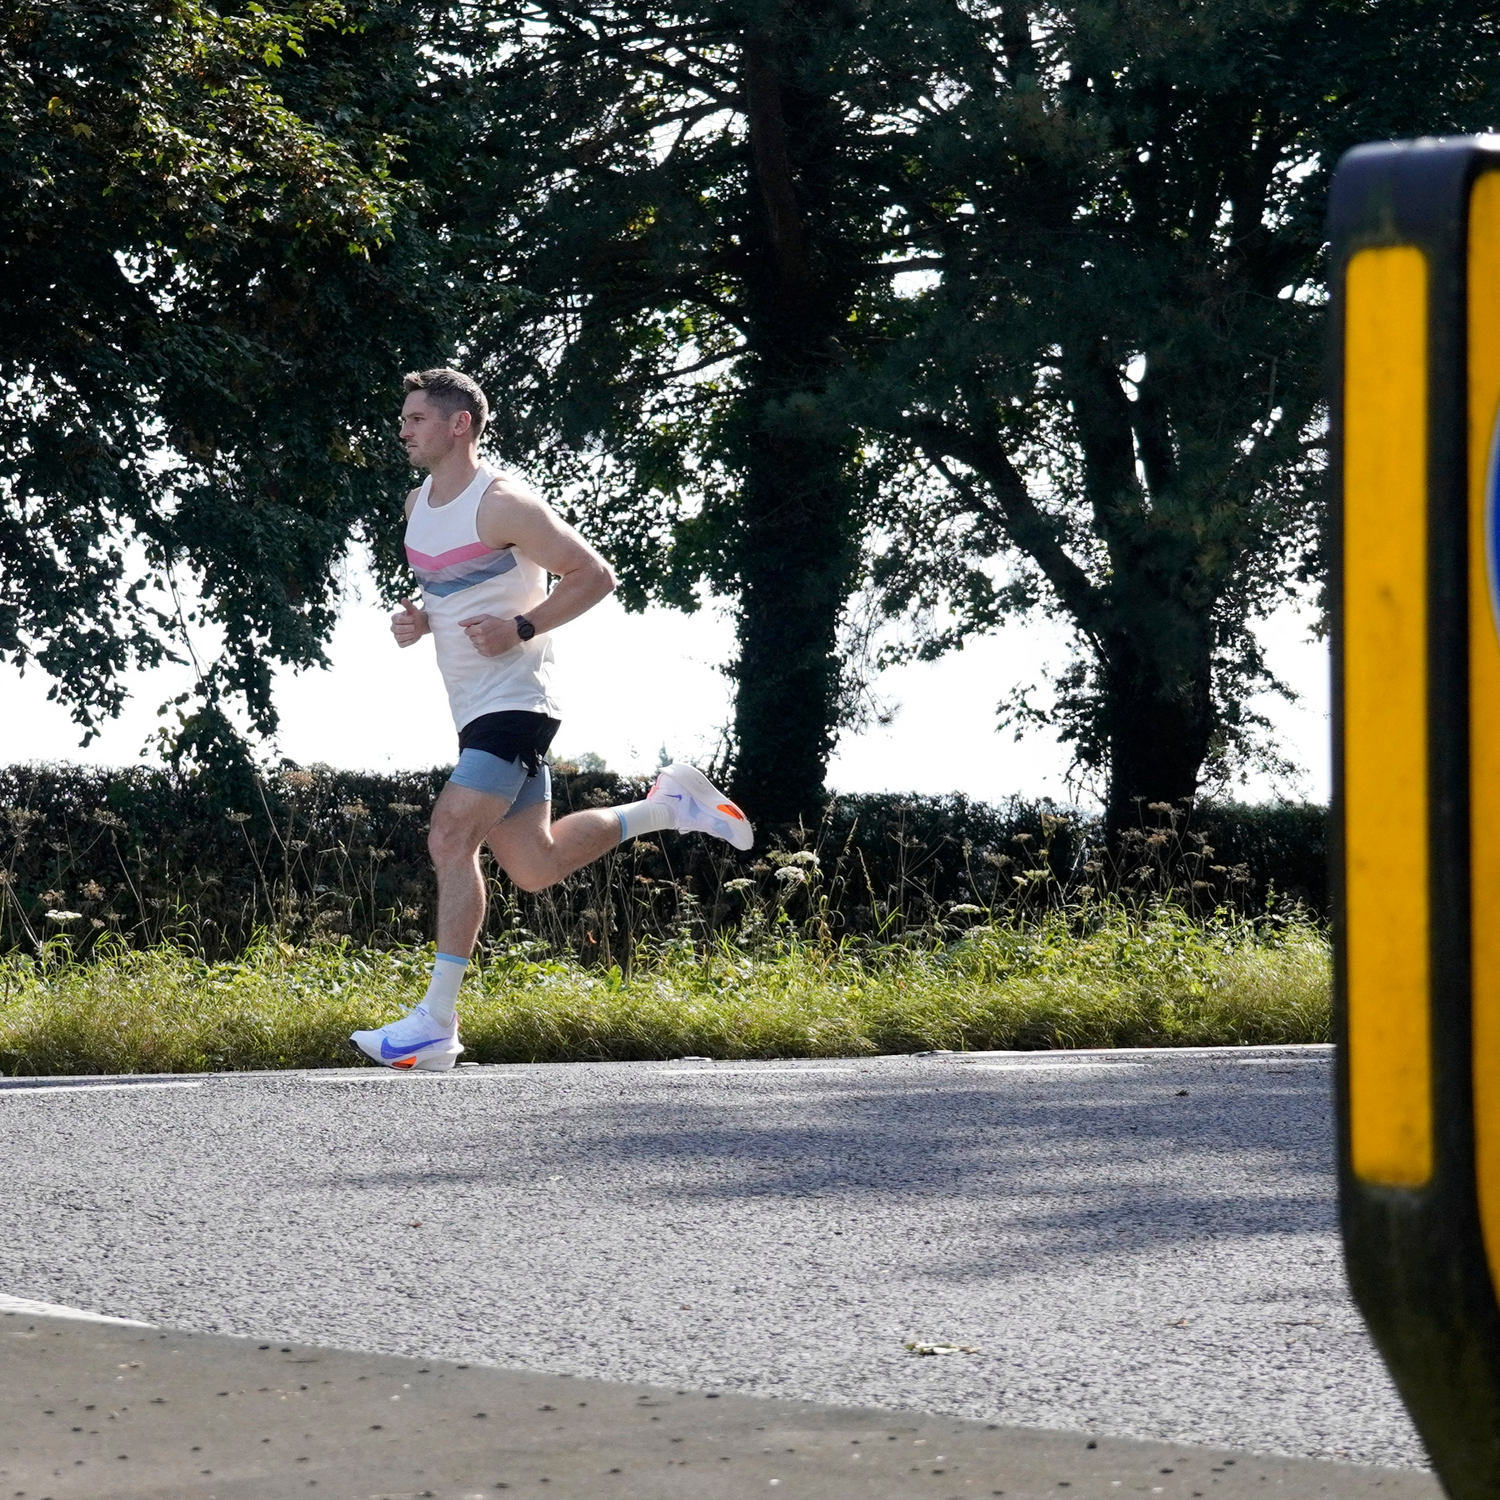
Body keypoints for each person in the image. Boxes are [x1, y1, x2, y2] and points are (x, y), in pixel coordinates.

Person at [351, 368, 752, 1071]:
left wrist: (525, 626)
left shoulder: (503, 501)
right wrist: (419, 620)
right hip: (473, 707)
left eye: (416, 418)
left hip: (517, 701)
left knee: (449, 837)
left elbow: (594, 574)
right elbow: (448, 587)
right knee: (533, 866)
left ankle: (435, 1023)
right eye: (403, 418)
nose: (404, 429)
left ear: (458, 425)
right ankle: (668, 806)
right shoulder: (418, 503)